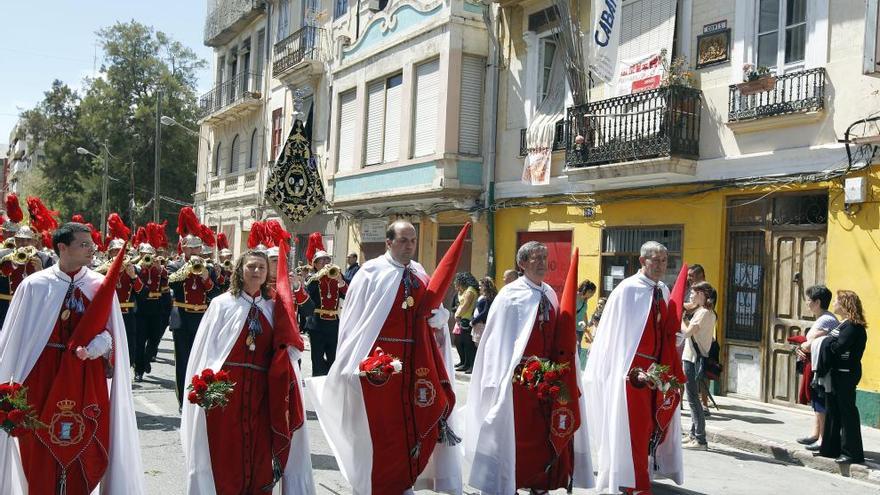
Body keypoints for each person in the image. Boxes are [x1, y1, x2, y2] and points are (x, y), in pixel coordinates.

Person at [307, 220, 461, 495]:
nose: (409, 246)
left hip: (416, 363)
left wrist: (440, 318)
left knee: (416, 421)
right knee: (381, 428)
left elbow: (430, 312)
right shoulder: (371, 272)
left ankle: (404, 480)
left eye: (412, 240)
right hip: (379, 365)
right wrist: (351, 359)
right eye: (403, 240)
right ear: (388, 242)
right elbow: (354, 320)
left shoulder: (419, 273)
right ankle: (377, 482)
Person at [0, 222, 144, 494]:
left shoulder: (98, 286)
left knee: (84, 444)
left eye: (91, 243)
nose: (92, 249)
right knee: (36, 443)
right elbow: (15, 341)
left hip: (84, 380)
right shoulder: (35, 286)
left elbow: (112, 339)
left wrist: (99, 345)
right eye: (84, 244)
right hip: (40, 378)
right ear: (62, 247)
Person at [181, 249, 315, 494]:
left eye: (261, 268)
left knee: (260, 449)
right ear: (240, 270)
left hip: (262, 393)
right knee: (226, 450)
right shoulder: (222, 305)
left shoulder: (275, 307)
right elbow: (207, 350)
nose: (256, 271)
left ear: (267, 273)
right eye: (251, 266)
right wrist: (207, 385)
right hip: (227, 394)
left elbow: (287, 349)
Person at [465, 241, 594, 494]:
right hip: (517, 381)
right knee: (517, 436)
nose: (542, 262)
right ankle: (509, 481)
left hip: (547, 380)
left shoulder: (550, 293)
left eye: (544, 257)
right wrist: (496, 377)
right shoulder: (510, 295)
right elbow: (496, 341)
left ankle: (539, 482)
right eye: (535, 258)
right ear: (522, 264)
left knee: (542, 435)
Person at [584, 241, 686, 495]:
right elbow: (615, 337)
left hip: (658, 370)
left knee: (654, 427)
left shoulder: (662, 289)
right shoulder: (627, 290)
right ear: (642, 261)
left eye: (665, 260)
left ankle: (645, 475)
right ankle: (634, 484)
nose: (661, 265)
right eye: (656, 260)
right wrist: (624, 370)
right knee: (635, 430)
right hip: (631, 373)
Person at [168, 224, 221, 406]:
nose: (195, 251)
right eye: (191, 247)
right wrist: (187, 269)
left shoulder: (208, 267)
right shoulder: (174, 265)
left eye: (197, 247)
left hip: (202, 318)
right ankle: (183, 400)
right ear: (184, 248)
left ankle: (201, 397)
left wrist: (206, 277)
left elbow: (215, 294)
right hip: (181, 318)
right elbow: (171, 284)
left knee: (202, 360)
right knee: (183, 361)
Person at [817, 290, 868, 465]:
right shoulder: (843, 324)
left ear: (845, 304)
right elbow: (835, 345)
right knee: (833, 410)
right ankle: (830, 449)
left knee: (847, 413)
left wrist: (823, 341)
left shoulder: (853, 326)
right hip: (837, 372)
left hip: (846, 374)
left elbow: (838, 347)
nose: (833, 304)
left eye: (837, 301)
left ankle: (851, 453)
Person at [795, 285, 838, 451]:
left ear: (817, 302)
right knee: (816, 401)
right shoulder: (822, 318)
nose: (807, 303)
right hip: (816, 365)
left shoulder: (826, 320)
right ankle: (815, 434)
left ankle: (822, 438)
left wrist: (803, 345)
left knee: (820, 401)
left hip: (822, 368)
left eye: (809, 300)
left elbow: (810, 342)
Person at [680, 281, 717, 451]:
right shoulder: (709, 312)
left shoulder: (702, 313)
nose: (691, 296)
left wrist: (680, 318)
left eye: (693, 293)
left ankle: (700, 439)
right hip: (696, 358)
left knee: (693, 400)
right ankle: (694, 434)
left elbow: (686, 333)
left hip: (692, 359)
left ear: (702, 294)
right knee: (693, 398)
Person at [304, 233, 347, 376]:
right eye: (321, 260)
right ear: (315, 265)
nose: (325, 262)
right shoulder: (313, 279)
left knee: (334, 359)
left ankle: (331, 386)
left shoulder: (336, 276)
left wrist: (340, 280)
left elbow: (347, 294)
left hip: (333, 324)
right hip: (317, 324)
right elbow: (307, 297)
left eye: (327, 259)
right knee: (317, 359)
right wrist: (318, 277)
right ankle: (318, 387)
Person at [134, 239, 169, 382]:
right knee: (140, 340)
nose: (147, 256)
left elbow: (167, 284)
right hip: (141, 307)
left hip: (156, 306)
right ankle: (138, 370)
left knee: (154, 339)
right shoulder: (136, 267)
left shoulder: (159, 268)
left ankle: (147, 359)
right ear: (140, 254)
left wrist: (160, 269)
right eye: (144, 253)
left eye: (149, 254)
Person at [453, 272, 479, 373]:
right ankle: (466, 364)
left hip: (466, 319)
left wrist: (458, 315)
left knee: (468, 345)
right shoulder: (468, 290)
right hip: (464, 319)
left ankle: (471, 366)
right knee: (464, 343)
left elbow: (466, 305)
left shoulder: (470, 291)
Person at [470, 276, 496, 346]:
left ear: (486, 286)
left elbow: (485, 312)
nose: (479, 288)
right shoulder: (484, 296)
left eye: (481, 286)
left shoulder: (489, 297)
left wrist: (473, 321)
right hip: (478, 325)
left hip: (482, 325)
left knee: (480, 347)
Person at [576, 280, 597, 366]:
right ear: (588, 291)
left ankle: (576, 367)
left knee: (578, 348)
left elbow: (584, 312)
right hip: (573, 328)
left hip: (580, 328)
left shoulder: (585, 300)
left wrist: (586, 325)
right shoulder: (576, 296)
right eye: (592, 293)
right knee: (577, 348)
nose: (593, 295)